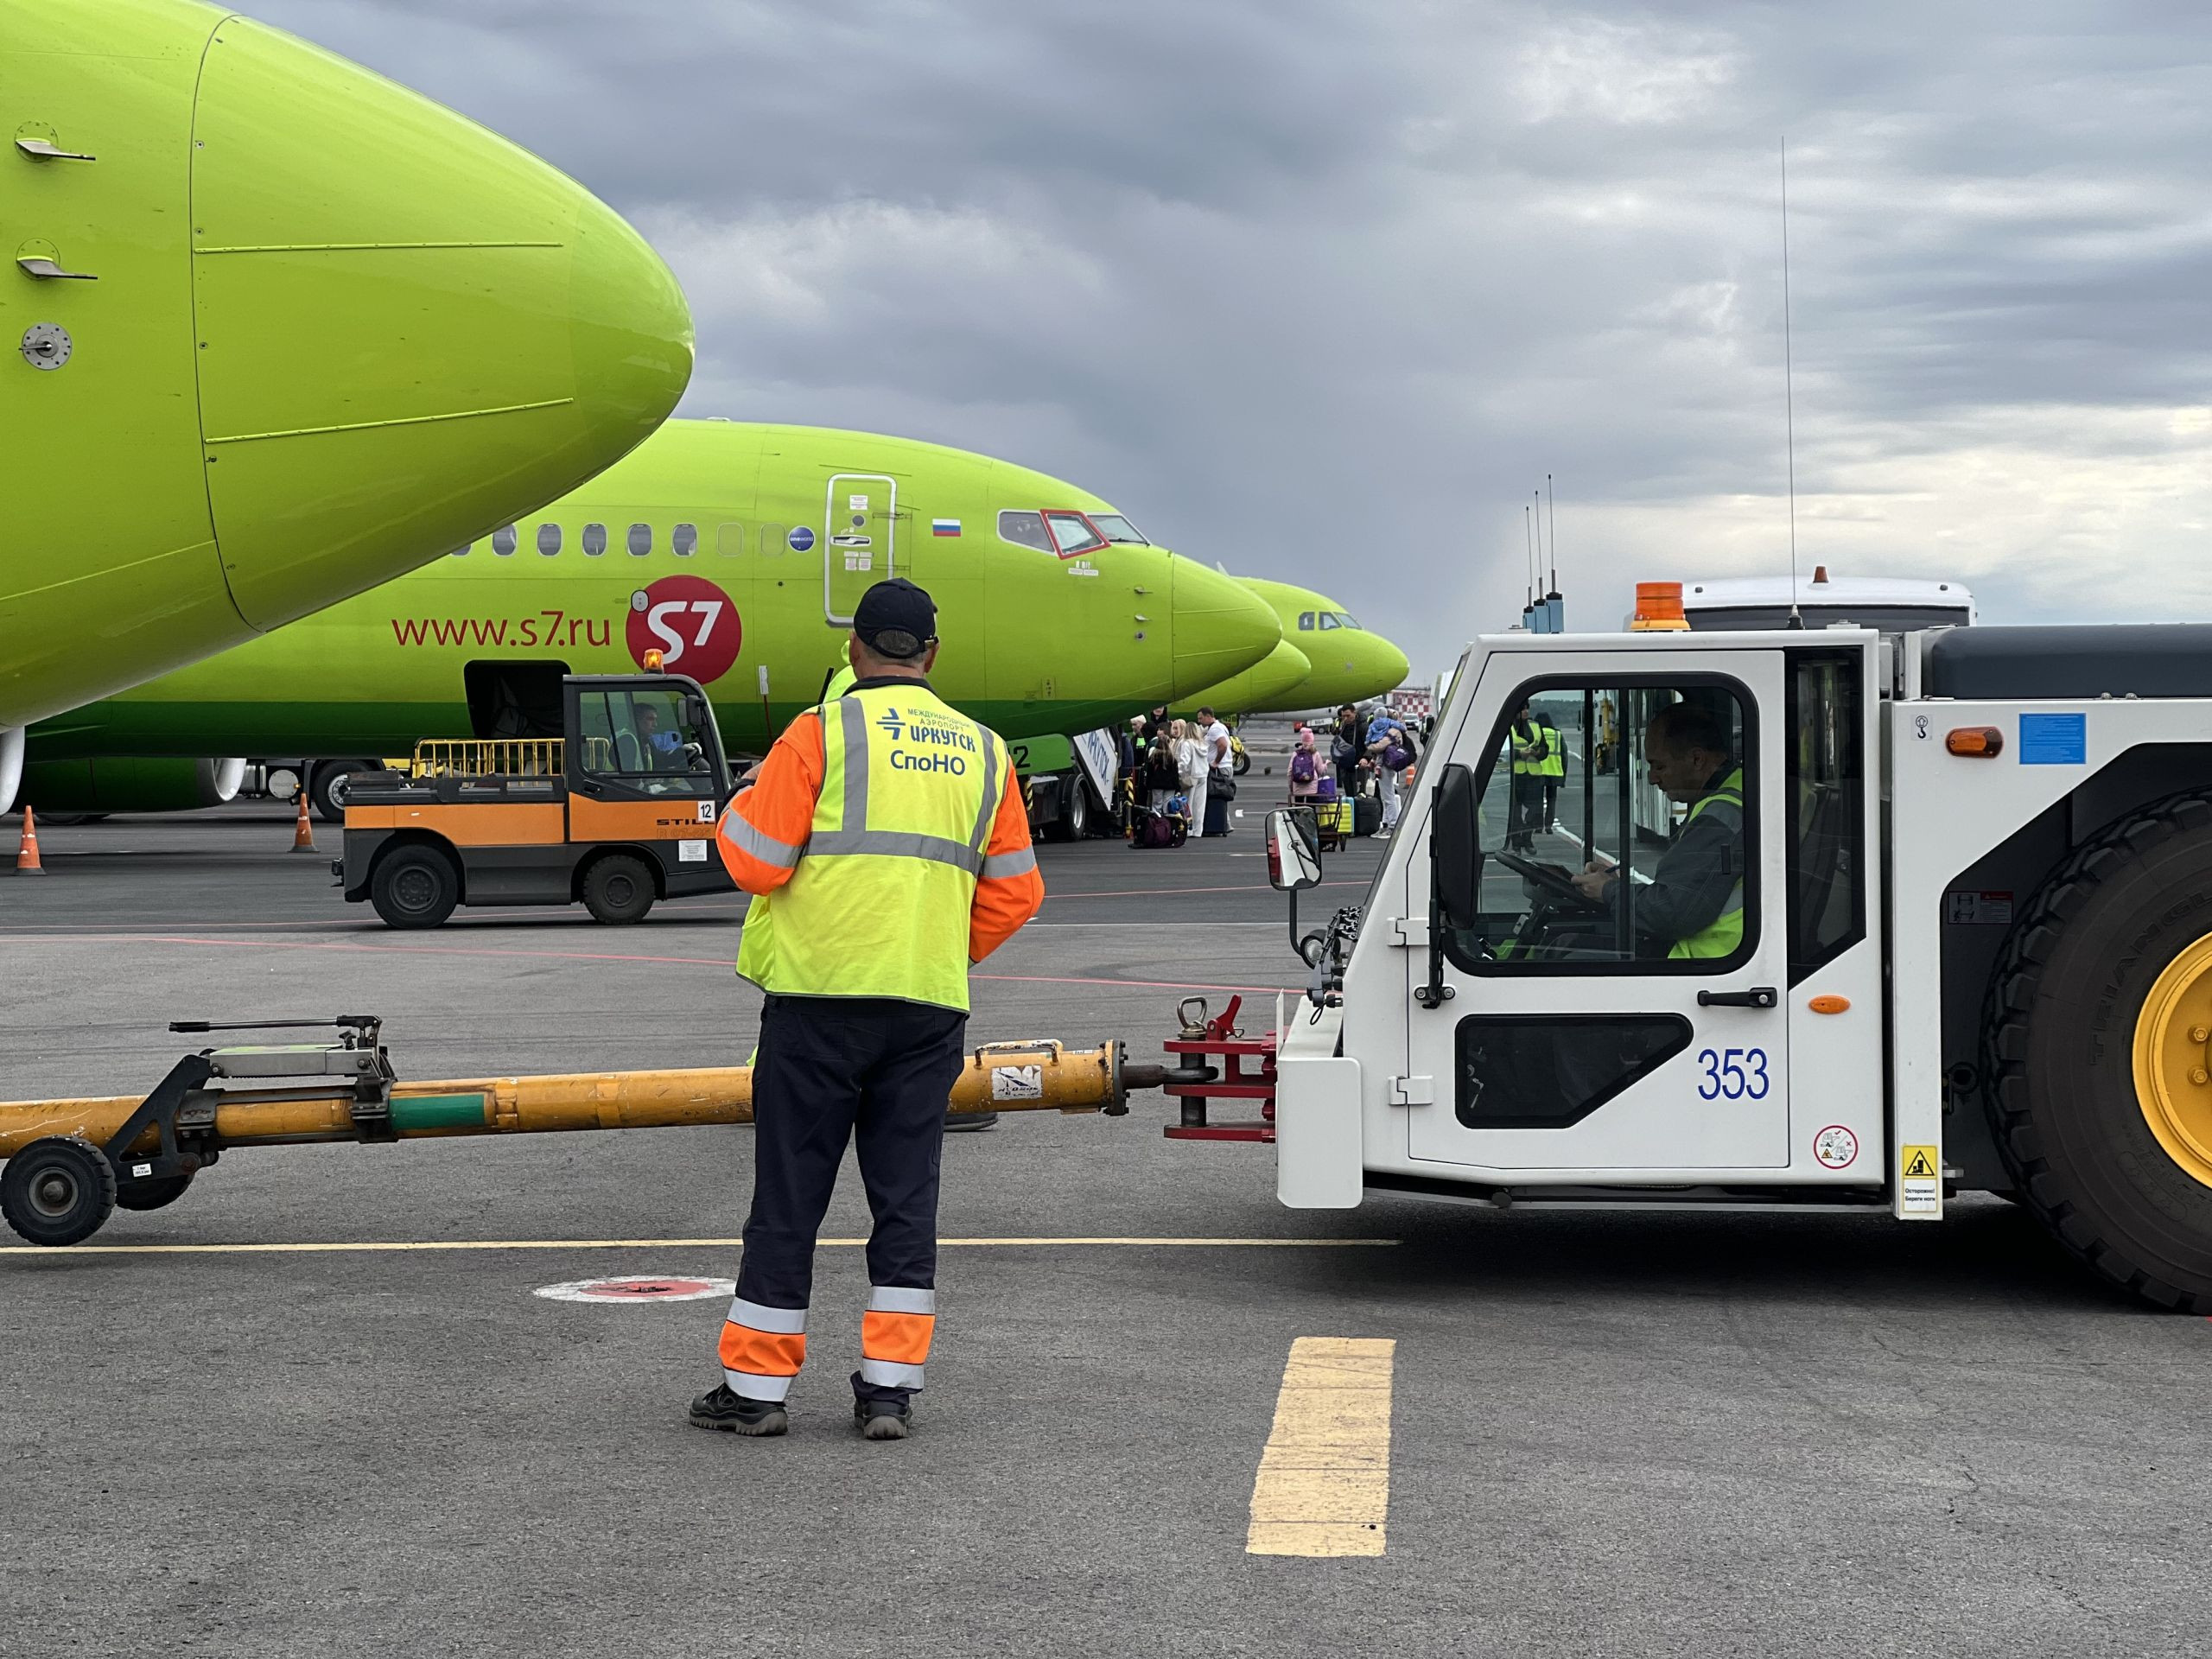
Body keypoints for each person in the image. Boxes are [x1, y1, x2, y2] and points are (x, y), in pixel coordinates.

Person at [696, 577, 1046, 1441]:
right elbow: (1016, 893)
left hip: (818, 1001)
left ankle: (758, 1392)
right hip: (925, 1008)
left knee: (789, 1199)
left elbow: (755, 863)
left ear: (854, 648)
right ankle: (888, 1388)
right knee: (904, 1198)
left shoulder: (821, 731)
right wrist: (934, 948)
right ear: (930, 654)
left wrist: (743, 799)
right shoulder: (984, 751)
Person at [1570, 702, 1744, 958]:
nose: (1652, 778)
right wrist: (1615, 886)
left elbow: (1673, 912)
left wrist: (1608, 891)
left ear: (1697, 759)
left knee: (1572, 954)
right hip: (1716, 957)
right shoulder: (1734, 792)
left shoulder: (1720, 816)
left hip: (1706, 962)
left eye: (1659, 766)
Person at [1364, 704, 1410, 833]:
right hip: (1387, 762)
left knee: (1388, 796)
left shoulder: (1373, 725)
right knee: (1386, 795)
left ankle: (1393, 825)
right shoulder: (1392, 726)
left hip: (1384, 763)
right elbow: (1403, 728)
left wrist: (1371, 745)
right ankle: (1386, 824)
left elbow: (1369, 742)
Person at [1507, 703, 1547, 850]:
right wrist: (1519, 754)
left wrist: (1538, 753)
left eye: (1527, 708)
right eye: (1522, 708)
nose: (1526, 711)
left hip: (1534, 775)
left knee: (1535, 809)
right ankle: (1516, 841)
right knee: (1514, 810)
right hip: (1516, 775)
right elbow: (1502, 750)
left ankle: (1527, 838)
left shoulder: (1535, 726)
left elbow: (1545, 749)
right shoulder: (1507, 727)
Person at [1198, 706, 1233, 836]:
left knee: (1217, 794)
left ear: (1208, 716)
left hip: (1220, 768)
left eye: (1201, 718)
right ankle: (1225, 824)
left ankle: (1220, 825)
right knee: (1219, 797)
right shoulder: (1219, 727)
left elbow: (1223, 745)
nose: (1200, 721)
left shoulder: (1215, 729)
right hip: (1224, 766)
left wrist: (1216, 762)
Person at [1535, 709, 1565, 832]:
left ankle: (1537, 826)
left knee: (1537, 801)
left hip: (1538, 772)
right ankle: (1548, 826)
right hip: (1555, 772)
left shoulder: (1536, 734)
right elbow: (1564, 756)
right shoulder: (1558, 735)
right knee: (1551, 801)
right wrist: (1564, 777)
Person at [1329, 704, 1364, 801]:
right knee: (1349, 794)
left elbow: (1369, 744)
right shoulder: (1344, 725)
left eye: (1348, 716)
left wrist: (1366, 757)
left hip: (1359, 766)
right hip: (1346, 765)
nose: (1345, 718)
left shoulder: (1362, 726)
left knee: (1359, 795)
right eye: (1343, 716)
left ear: (1355, 712)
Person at [1287, 725, 1322, 801]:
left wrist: (1291, 787)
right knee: (1311, 808)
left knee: (1299, 809)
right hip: (1312, 788)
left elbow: (1290, 772)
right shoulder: (1315, 753)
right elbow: (1320, 770)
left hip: (1298, 786)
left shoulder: (1296, 754)